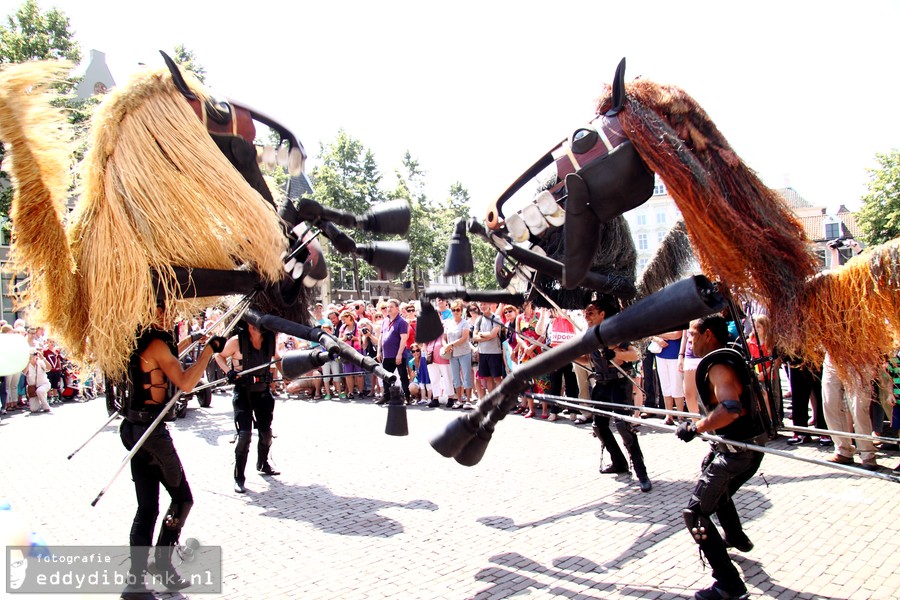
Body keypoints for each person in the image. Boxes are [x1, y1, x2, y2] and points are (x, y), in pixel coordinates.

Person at [119, 302, 225, 599]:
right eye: (164, 310)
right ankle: (161, 566)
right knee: (182, 499)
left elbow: (162, 359)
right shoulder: (155, 343)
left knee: (148, 507)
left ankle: (135, 582)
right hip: (151, 434)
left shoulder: (142, 342)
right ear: (152, 314)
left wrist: (191, 341)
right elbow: (186, 382)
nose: (171, 315)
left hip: (133, 428)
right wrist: (207, 353)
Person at [675, 315, 768, 600]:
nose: (690, 342)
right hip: (749, 448)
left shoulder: (717, 366)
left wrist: (696, 427)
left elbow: (730, 408)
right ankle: (735, 536)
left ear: (709, 335)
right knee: (713, 479)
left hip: (737, 453)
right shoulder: (733, 356)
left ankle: (729, 585)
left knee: (696, 514)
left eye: (693, 335)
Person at [584, 296, 651, 492]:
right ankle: (619, 462)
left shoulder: (615, 331)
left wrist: (616, 354)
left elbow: (635, 354)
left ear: (602, 314)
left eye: (591, 313)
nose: (587, 317)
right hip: (601, 383)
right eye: (585, 314)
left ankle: (641, 472)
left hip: (619, 383)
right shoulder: (588, 334)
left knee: (623, 426)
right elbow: (587, 359)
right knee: (599, 426)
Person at [214, 322, 283, 494]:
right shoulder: (237, 341)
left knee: (266, 434)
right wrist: (228, 372)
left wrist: (286, 373)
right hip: (243, 393)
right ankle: (239, 477)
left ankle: (263, 463)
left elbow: (278, 358)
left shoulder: (269, 340)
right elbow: (218, 356)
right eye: (252, 323)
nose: (256, 326)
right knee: (244, 436)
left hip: (263, 392)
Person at [376, 298, 411, 404]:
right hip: (387, 354)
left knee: (403, 376)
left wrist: (399, 354)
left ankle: (407, 396)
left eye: (391, 307)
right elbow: (381, 337)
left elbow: (403, 339)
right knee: (385, 376)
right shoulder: (385, 321)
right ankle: (386, 396)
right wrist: (379, 351)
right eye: (387, 307)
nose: (388, 309)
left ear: (397, 308)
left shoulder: (402, 322)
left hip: (398, 354)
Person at [443, 299, 472, 409]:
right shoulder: (448, 323)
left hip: (464, 352)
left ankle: (468, 400)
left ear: (462, 311)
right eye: (453, 310)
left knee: (466, 376)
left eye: (458, 310)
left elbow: (464, 337)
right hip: (452, 354)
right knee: (455, 378)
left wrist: (451, 344)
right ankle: (459, 400)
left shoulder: (465, 323)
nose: (455, 312)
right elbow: (444, 338)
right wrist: (446, 345)